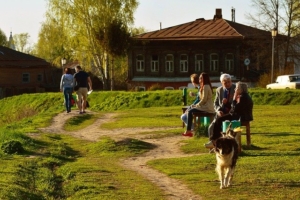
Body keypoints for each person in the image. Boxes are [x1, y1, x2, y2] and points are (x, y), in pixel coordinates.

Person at [205, 81, 253, 148]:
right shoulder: (243, 96)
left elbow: (235, 109)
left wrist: (234, 99)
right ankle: (216, 140)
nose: (235, 89)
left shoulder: (243, 97)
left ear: (240, 89)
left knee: (219, 120)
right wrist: (227, 103)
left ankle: (215, 141)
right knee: (219, 120)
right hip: (238, 115)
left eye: (236, 88)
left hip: (242, 117)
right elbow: (234, 108)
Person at [182, 72, 215, 137]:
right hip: (204, 106)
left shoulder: (206, 86)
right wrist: (195, 96)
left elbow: (204, 99)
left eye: (200, 78)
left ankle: (189, 130)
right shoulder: (203, 86)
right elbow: (200, 97)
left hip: (207, 107)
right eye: (199, 78)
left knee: (190, 111)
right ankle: (189, 130)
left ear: (204, 79)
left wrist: (195, 105)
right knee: (190, 111)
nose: (199, 79)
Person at [207, 74, 236, 138]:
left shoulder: (235, 88)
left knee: (223, 126)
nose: (228, 84)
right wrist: (218, 111)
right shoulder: (219, 90)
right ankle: (213, 143)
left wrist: (227, 103)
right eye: (225, 83)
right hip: (221, 113)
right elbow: (215, 103)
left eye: (229, 82)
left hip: (231, 113)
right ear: (222, 83)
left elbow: (236, 104)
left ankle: (221, 142)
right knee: (210, 128)